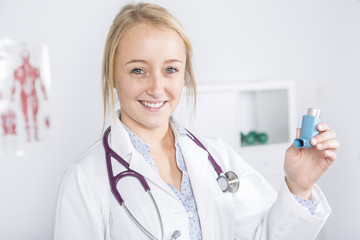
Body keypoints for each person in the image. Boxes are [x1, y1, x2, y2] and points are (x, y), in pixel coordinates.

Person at [53, 3, 339, 240]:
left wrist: (300, 186)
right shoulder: (85, 179)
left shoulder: (217, 156)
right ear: (112, 76)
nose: (156, 87)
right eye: (138, 70)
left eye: (170, 70)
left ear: (184, 75)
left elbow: (267, 235)